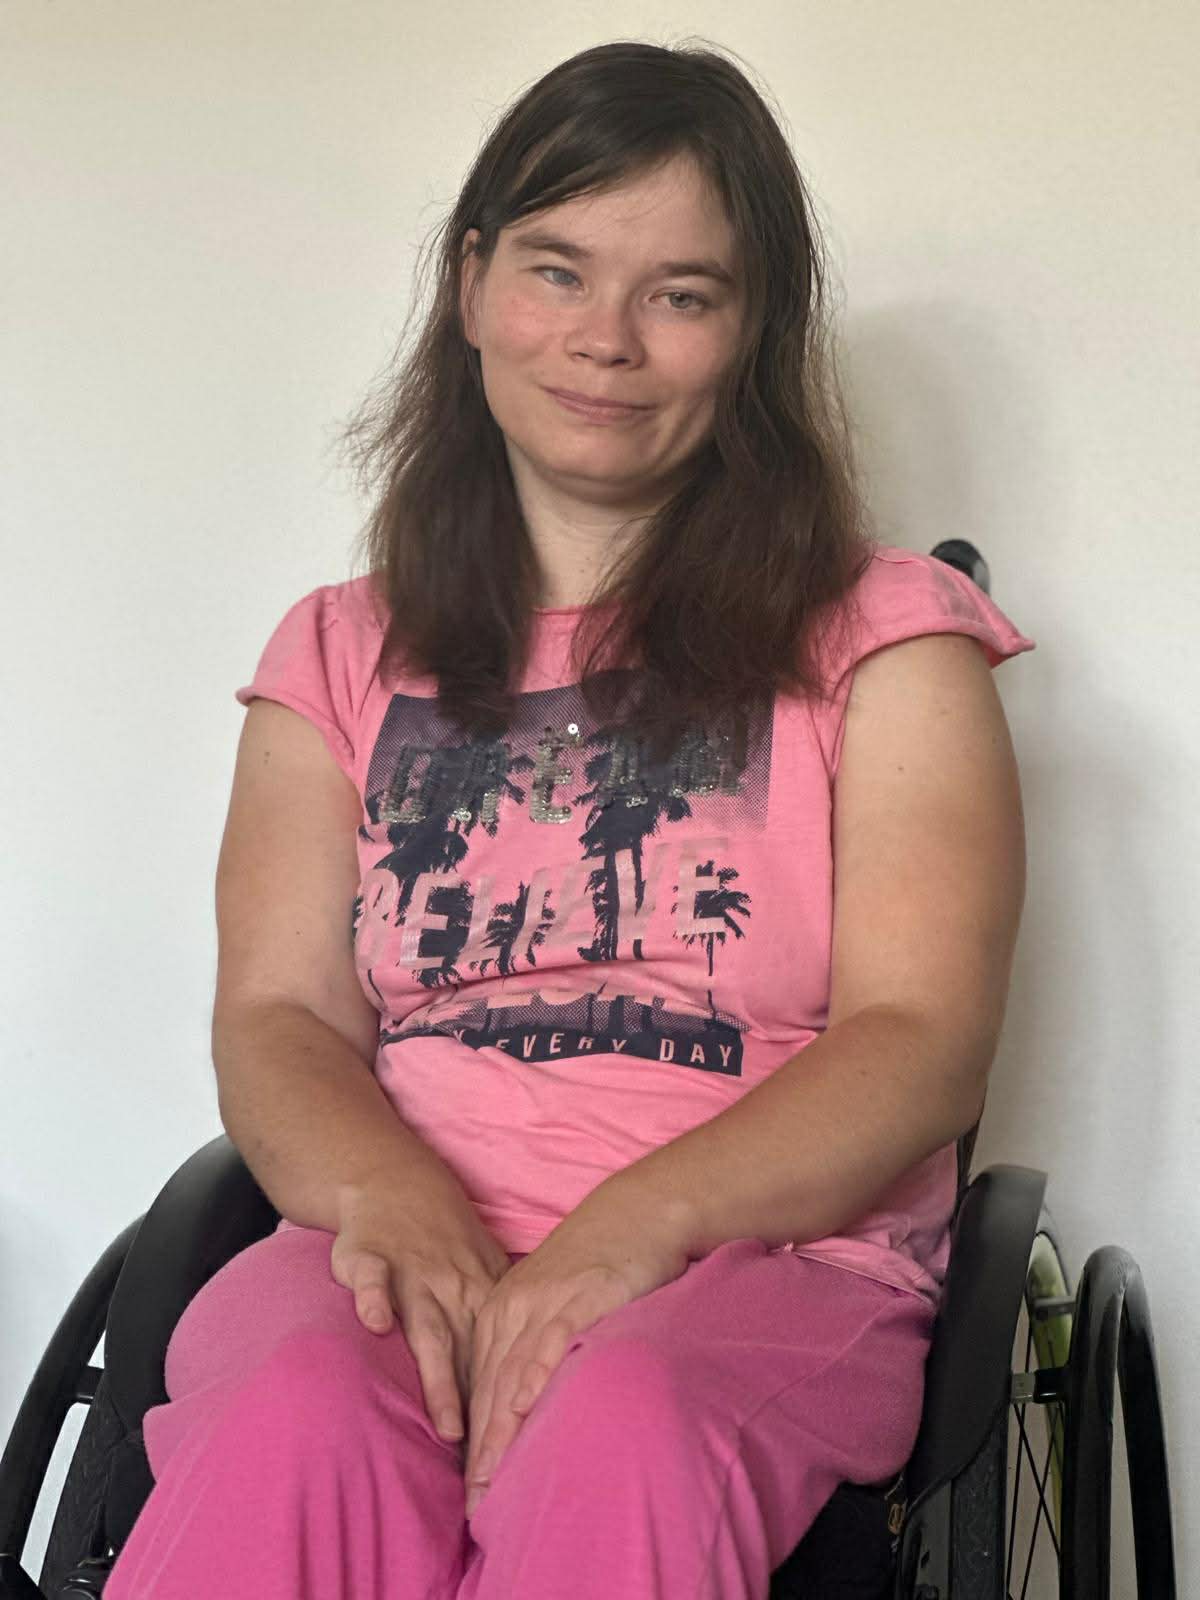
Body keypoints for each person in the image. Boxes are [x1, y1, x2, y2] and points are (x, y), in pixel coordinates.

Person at [104, 38, 1034, 1600]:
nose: (606, 338)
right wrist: (401, 1207)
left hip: (761, 1258)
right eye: (557, 270)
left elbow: (922, 1038)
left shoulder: (889, 640)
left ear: (751, 336)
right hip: (394, 1233)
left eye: (682, 293)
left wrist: (628, 1232)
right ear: (471, 285)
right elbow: (277, 1018)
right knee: (294, 1411)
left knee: (625, 1427)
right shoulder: (336, 654)